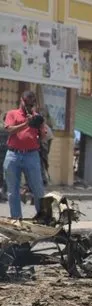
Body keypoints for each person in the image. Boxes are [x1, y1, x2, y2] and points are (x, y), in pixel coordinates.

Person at [3, 90, 47, 220]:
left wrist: (40, 125)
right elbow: (9, 130)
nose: (29, 107)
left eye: (31, 105)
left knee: (38, 188)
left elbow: (43, 137)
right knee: (12, 191)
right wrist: (26, 124)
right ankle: (17, 219)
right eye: (27, 104)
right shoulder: (12, 114)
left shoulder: (36, 117)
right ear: (22, 101)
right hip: (13, 155)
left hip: (31, 155)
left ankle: (42, 217)